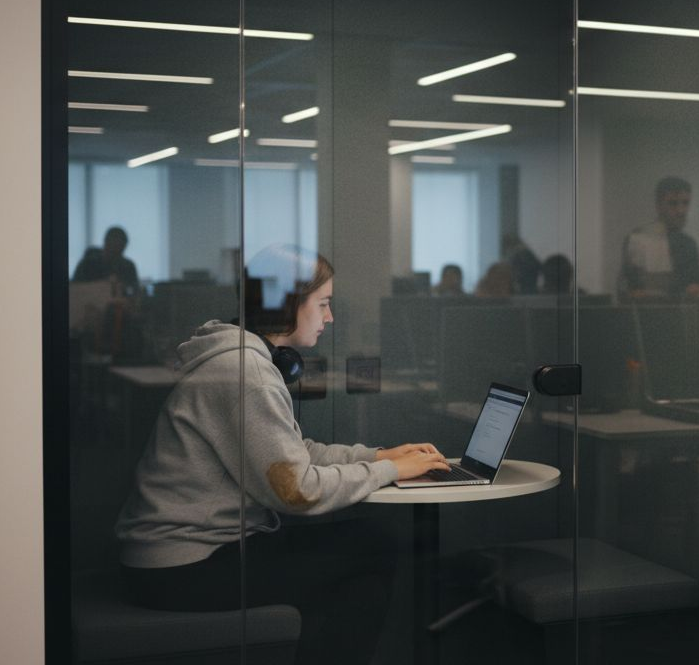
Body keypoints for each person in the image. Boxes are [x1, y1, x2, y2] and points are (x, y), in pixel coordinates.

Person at [115, 245, 451, 665]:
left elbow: (294, 454)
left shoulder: (244, 359)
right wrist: (390, 470)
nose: (330, 317)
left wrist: (378, 455)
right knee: (372, 550)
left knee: (365, 547)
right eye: (323, 304)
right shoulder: (247, 373)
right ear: (287, 304)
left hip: (189, 553)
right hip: (182, 567)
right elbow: (297, 489)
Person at [620, 176, 699, 299]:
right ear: (658, 205)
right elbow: (627, 290)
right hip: (647, 310)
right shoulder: (636, 239)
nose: (681, 210)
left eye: (685, 203)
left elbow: (695, 287)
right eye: (673, 203)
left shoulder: (689, 244)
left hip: (680, 310)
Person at [73, 225, 141, 296]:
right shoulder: (87, 264)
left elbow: (133, 290)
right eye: (113, 247)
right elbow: (75, 289)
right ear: (105, 244)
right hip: (91, 300)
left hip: (119, 301)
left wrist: (125, 288)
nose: (116, 253)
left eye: (120, 249)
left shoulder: (128, 266)